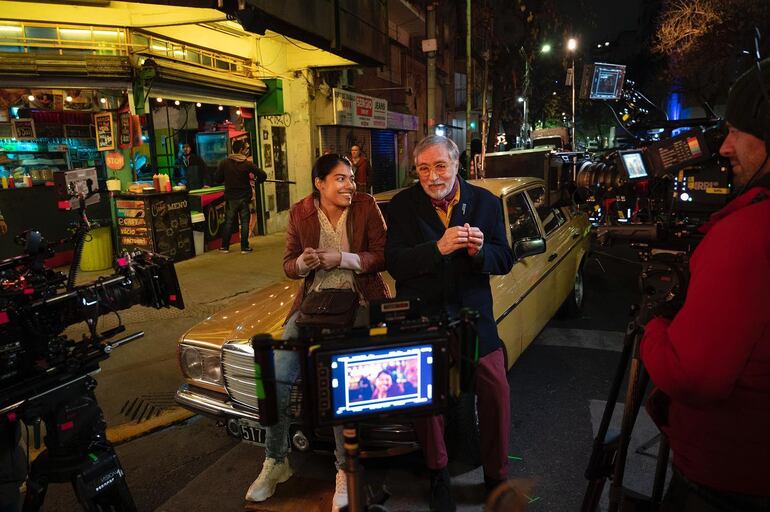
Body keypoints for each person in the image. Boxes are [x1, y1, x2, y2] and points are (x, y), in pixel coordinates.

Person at [640, 60, 770, 511]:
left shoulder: (748, 232)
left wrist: (653, 325)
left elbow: (693, 376)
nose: (726, 148)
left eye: (737, 132)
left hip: (725, 482)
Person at [245, 154, 390, 512]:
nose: (349, 186)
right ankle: (276, 461)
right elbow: (288, 265)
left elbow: (381, 256)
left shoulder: (366, 206)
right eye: (340, 179)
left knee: (339, 380)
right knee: (276, 375)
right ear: (319, 183)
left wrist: (341, 258)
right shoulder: (300, 212)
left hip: (358, 302)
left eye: (352, 178)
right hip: (313, 305)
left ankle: (345, 470)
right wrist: (302, 264)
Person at [385, 135, 515, 511]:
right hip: (424, 319)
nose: (432, 176)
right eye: (423, 168)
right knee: (428, 401)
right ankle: (438, 472)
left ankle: (496, 475)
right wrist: (437, 249)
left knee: (496, 391)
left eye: (440, 166)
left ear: (458, 165)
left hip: (474, 320)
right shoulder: (402, 206)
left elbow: (504, 258)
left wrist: (479, 252)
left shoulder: (486, 203)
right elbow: (396, 263)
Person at [215, 139, 266, 253]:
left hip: (231, 198)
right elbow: (262, 174)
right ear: (241, 150)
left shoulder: (224, 163)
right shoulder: (247, 164)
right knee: (244, 222)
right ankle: (244, 247)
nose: (246, 151)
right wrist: (258, 180)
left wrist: (226, 177)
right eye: (245, 149)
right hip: (244, 197)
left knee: (228, 221)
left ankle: (224, 247)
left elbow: (217, 179)